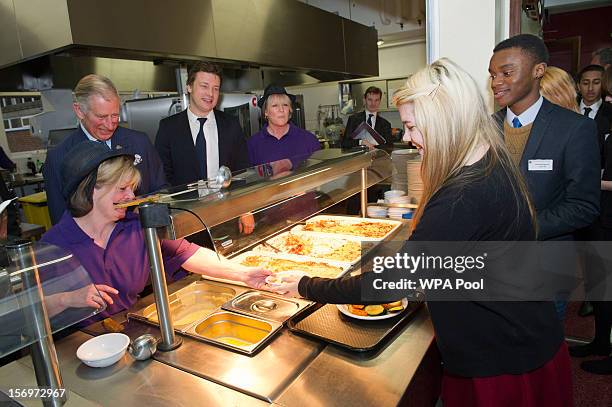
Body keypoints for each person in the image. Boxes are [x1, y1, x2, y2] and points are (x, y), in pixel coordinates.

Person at [271, 58, 572, 406]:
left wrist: (305, 284)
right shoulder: (489, 156)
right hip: (524, 336)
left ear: (443, 119)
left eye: (413, 126)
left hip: (501, 362)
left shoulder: (463, 194)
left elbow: (392, 282)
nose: (408, 137)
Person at [41, 142, 270, 324]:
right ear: (90, 190)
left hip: (129, 333)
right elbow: (30, 317)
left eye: (132, 188)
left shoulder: (136, 226)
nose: (131, 197)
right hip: (77, 353)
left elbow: (187, 254)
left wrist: (244, 274)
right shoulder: (53, 246)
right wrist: (68, 298)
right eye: (122, 189)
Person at [489, 34, 600, 321]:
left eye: (506, 73)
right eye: (492, 74)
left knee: (542, 355)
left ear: (539, 70)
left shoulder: (574, 130)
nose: (496, 82)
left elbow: (583, 206)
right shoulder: (485, 128)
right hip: (492, 268)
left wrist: (522, 228)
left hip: (546, 269)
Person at [44, 74, 167, 225]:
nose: (110, 125)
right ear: (79, 111)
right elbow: (61, 222)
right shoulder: (58, 158)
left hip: (142, 237)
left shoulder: (139, 142)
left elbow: (161, 190)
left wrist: (144, 210)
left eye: (115, 115)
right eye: (101, 117)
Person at [155, 61, 250, 187]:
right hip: (185, 205)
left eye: (215, 88)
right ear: (189, 87)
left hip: (226, 203)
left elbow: (242, 172)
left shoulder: (231, 125)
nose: (210, 94)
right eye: (204, 86)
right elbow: (162, 177)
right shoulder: (168, 128)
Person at [247, 84, 320, 169]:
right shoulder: (253, 144)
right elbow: (250, 178)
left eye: (285, 105)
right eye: (275, 105)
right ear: (266, 112)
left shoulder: (309, 140)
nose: (281, 110)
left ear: (290, 110)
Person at [577, 64, 612, 150]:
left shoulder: (610, 111)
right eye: (585, 83)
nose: (590, 88)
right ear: (578, 86)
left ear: (604, 84)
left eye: (596, 83)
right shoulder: (568, 108)